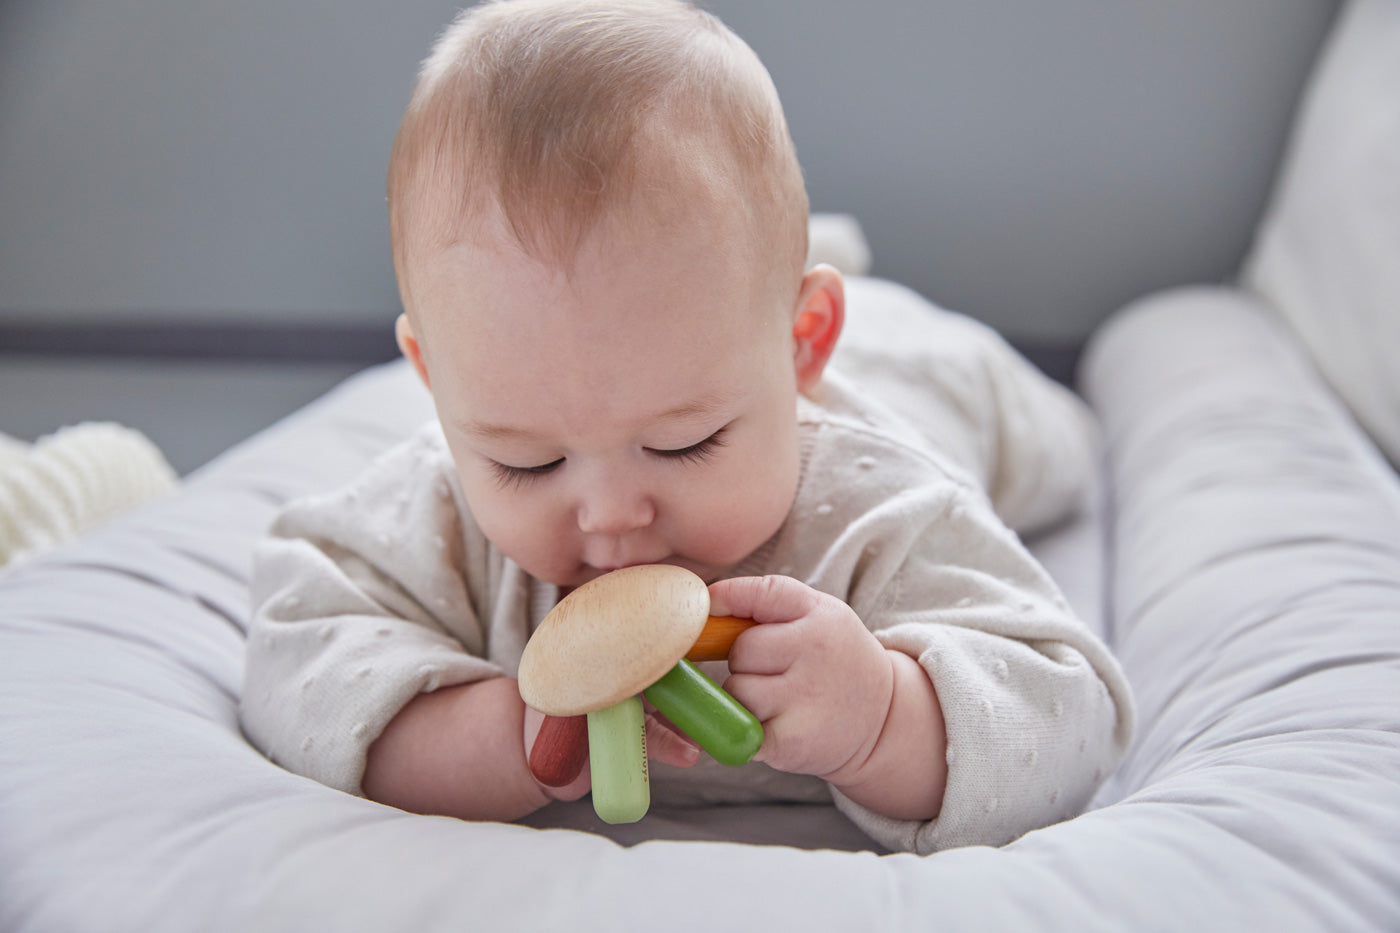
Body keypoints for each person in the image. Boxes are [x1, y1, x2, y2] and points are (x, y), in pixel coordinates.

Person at [240, 0, 1133, 854]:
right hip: (741, 343)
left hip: (915, 378)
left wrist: (885, 714)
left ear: (802, 343)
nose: (610, 516)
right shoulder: (440, 506)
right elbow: (300, 646)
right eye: (529, 460)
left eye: (682, 444)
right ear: (432, 379)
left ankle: (871, 308)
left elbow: (1071, 714)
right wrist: (491, 739)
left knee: (1050, 444)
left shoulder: (879, 512)